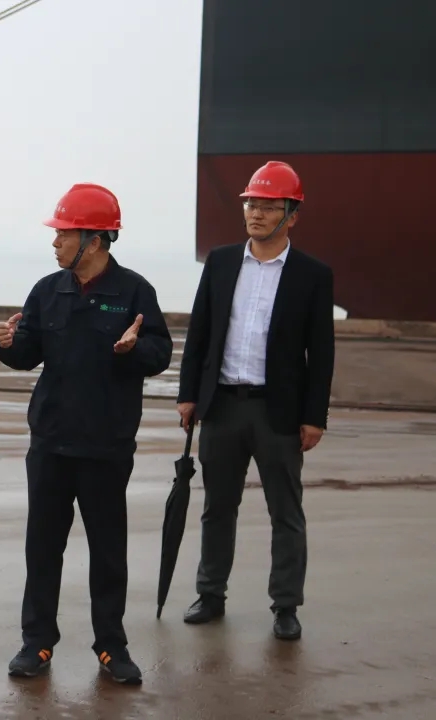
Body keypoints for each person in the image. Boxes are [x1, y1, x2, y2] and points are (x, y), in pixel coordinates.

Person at [0, 183, 173, 684]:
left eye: (64, 234)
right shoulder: (47, 290)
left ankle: (111, 646)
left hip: (106, 444)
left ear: (94, 241)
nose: (55, 242)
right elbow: (27, 352)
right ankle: (36, 643)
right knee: (42, 548)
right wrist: (6, 344)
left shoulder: (134, 291)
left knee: (108, 550)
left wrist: (133, 350)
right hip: (50, 443)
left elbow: (160, 354)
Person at [176, 160, 335, 641]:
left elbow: (321, 352)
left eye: (268, 206)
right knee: (217, 508)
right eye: (251, 204)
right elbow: (200, 333)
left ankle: (286, 605)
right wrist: (188, 396)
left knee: (285, 513)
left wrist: (314, 417)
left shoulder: (312, 275)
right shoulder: (222, 262)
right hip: (222, 405)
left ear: (292, 215)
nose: (256, 213)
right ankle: (210, 594)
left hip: (278, 412)